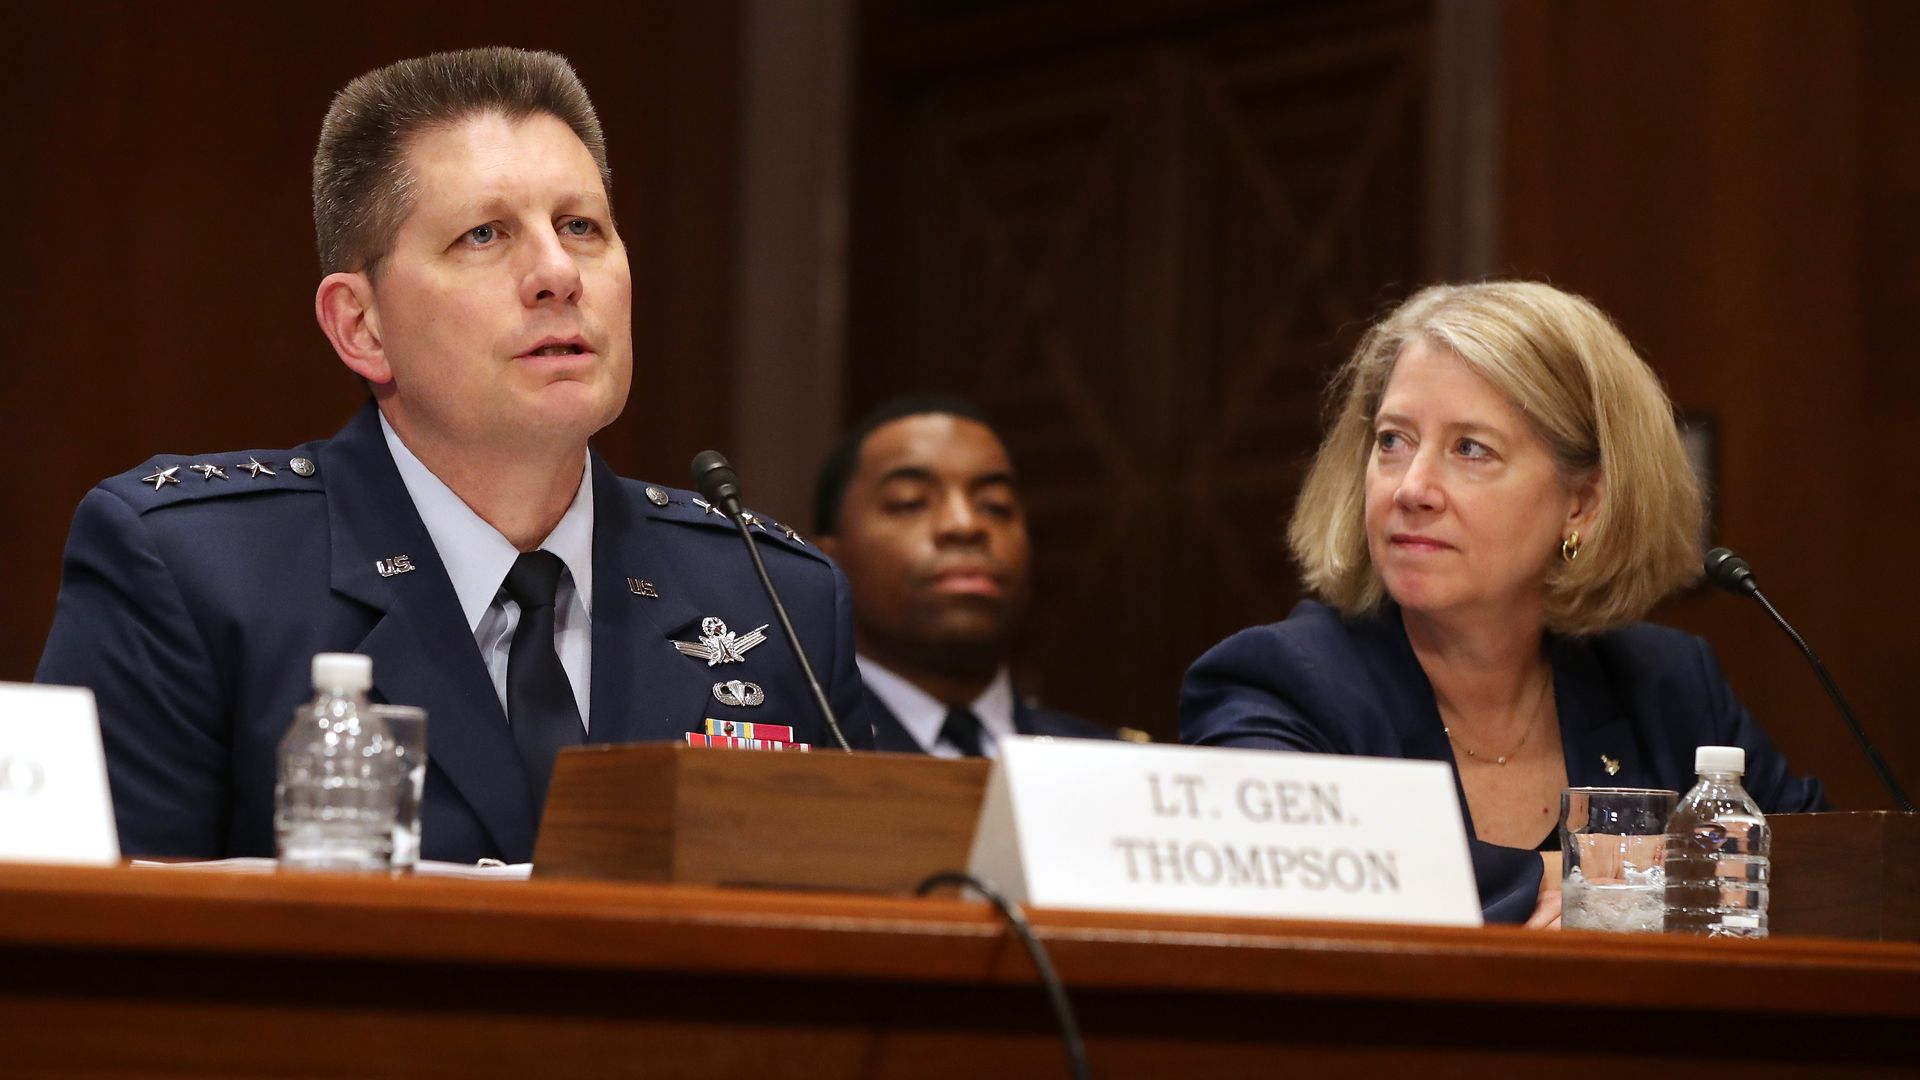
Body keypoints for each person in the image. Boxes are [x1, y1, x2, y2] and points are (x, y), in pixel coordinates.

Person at [36, 48, 870, 866]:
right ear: (361, 326)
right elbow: (98, 965)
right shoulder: (195, 573)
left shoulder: (777, 597)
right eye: (483, 235)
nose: (556, 273)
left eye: (581, 227)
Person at [1179, 281, 1826, 926]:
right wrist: (1601, 883)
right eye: (1392, 441)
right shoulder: (1284, 684)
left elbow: (1825, 879)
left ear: (1583, 503)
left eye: (1470, 449)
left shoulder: (1671, 689)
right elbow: (1301, 877)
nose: (1412, 488)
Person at [813, 396, 1117, 756]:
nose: (965, 524)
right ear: (826, 557)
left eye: (996, 504)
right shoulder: (799, 756)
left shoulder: (1104, 764)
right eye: (910, 501)